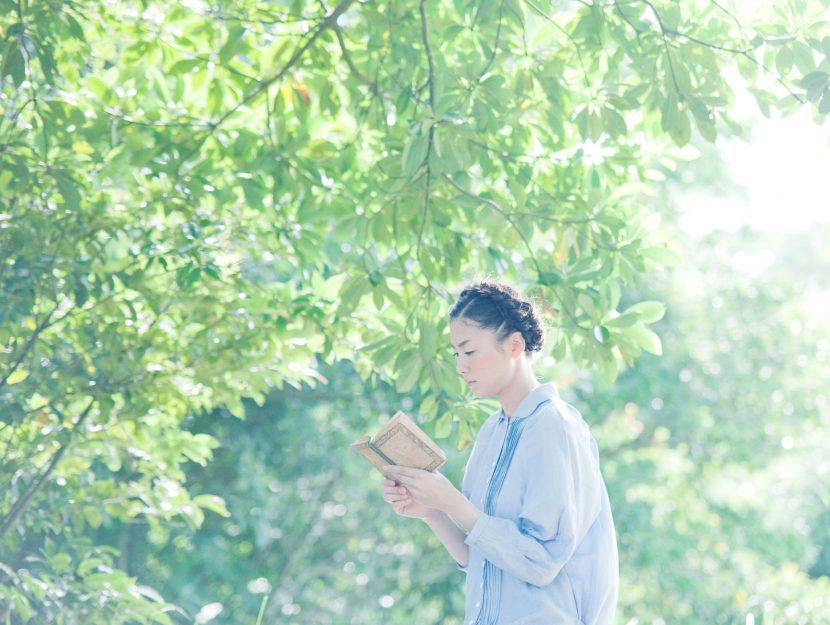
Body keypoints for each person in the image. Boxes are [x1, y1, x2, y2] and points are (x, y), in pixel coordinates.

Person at [382, 281, 618, 625]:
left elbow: (540, 561)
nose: (461, 367)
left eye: (470, 351)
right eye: (456, 354)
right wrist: (431, 511)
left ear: (514, 345)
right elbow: (481, 556)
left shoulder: (554, 426)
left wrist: (452, 502)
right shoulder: (492, 432)